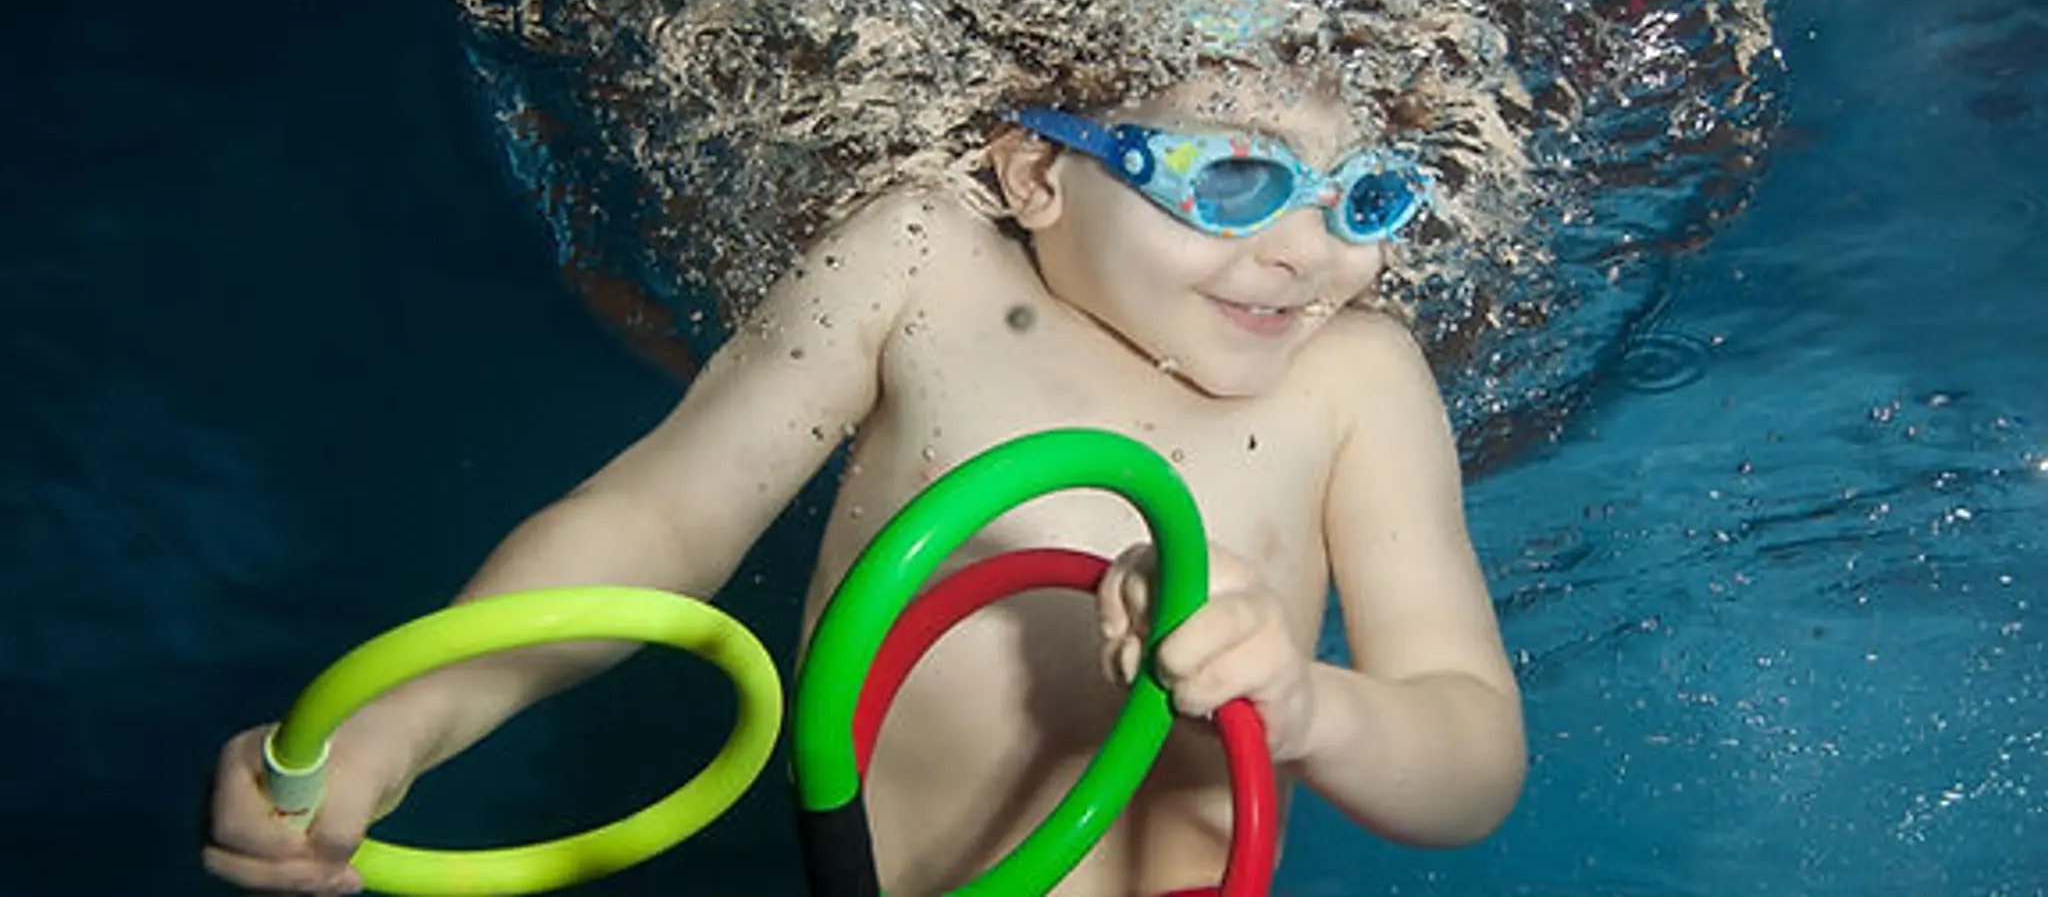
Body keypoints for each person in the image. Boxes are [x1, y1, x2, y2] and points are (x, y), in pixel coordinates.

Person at [202, 48, 1527, 895]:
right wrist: (399, 724)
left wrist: (1307, 710)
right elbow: (659, 522)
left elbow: (1472, 761)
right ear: (1039, 171)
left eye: (1364, 200)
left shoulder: (1356, 377)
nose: (1309, 254)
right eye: (1235, 179)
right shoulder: (920, 264)